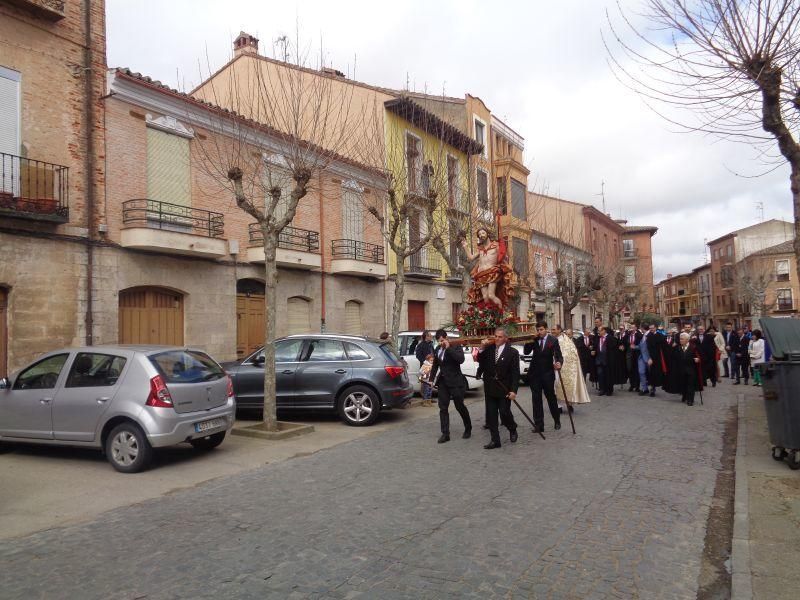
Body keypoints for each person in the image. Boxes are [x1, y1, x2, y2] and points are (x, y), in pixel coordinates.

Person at [477, 328, 520, 449]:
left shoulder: (512, 352)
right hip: (490, 387)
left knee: (504, 412)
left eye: (500, 337)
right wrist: (481, 347)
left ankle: (512, 428)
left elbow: (515, 373)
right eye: (495, 336)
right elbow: (481, 361)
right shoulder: (489, 349)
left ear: (506, 338)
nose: (497, 338)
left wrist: (513, 390)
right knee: (491, 415)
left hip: (504, 388)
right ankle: (495, 440)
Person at [429, 329, 472, 443]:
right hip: (443, 382)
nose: (441, 343)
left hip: (455, 382)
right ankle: (445, 433)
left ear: (446, 338)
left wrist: (448, 348)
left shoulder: (456, 346)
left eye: (442, 340)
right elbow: (435, 366)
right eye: (439, 341)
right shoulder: (437, 349)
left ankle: (468, 427)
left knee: (459, 406)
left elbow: (460, 360)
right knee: (443, 408)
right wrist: (431, 379)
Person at [460, 227, 515, 309]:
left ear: (487, 234)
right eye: (479, 235)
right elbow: (471, 258)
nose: (481, 235)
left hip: (492, 273)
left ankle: (502, 314)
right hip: (481, 275)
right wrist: (465, 247)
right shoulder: (480, 249)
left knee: (491, 295)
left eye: (483, 233)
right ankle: (489, 316)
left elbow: (503, 255)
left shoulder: (496, 245)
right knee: (485, 297)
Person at [524, 321, 563, 431]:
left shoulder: (553, 340)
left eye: (541, 329)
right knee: (536, 400)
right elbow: (526, 352)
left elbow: (559, 356)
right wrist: (531, 339)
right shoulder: (534, 339)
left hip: (548, 374)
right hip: (535, 374)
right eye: (538, 330)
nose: (539, 332)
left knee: (551, 398)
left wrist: (559, 363)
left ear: (546, 329)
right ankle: (539, 425)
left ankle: (557, 420)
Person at [553, 324, 591, 409]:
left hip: (564, 366)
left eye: (554, 329)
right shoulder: (553, 339)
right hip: (556, 366)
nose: (552, 331)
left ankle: (568, 404)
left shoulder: (566, 341)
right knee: (556, 385)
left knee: (564, 386)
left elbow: (571, 353)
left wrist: (563, 363)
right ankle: (558, 406)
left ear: (559, 330)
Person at [665, 332, 703, 405]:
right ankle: (685, 395)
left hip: (691, 369)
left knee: (690, 385)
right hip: (681, 369)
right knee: (684, 383)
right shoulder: (678, 347)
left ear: (687, 340)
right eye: (680, 339)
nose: (680, 340)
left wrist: (698, 359)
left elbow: (700, 356)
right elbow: (673, 357)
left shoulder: (693, 347)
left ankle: (690, 400)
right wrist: (672, 348)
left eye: (682, 339)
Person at [592, 325, 618, 396]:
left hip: (608, 360)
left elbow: (614, 349)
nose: (598, 332)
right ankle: (602, 389)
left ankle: (609, 390)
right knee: (600, 375)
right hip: (599, 359)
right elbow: (595, 346)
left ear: (604, 331)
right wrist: (593, 351)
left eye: (599, 331)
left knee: (608, 375)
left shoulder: (610, 338)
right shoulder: (597, 338)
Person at [644, 323, 668, 397]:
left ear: (656, 328)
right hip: (651, 357)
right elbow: (647, 348)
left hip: (659, 357)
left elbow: (665, 347)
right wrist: (649, 358)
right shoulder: (648, 336)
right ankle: (652, 389)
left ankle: (664, 385)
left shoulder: (661, 336)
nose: (651, 329)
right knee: (652, 374)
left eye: (652, 328)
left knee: (660, 372)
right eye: (650, 328)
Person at [624, 323, 643, 392]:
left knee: (637, 370)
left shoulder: (639, 335)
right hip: (629, 355)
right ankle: (632, 385)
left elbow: (641, 345)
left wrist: (636, 347)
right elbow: (623, 342)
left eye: (633, 327)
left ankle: (637, 386)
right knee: (630, 370)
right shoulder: (627, 335)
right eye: (631, 327)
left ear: (636, 328)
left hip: (636, 355)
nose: (631, 329)